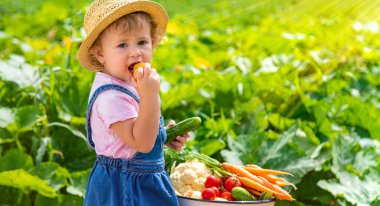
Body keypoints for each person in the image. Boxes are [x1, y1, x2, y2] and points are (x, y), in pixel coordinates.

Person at [78, 0, 189, 205]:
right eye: (122, 45)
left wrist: (162, 136)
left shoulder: (126, 82)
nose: (135, 52)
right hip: (124, 190)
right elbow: (142, 143)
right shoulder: (111, 98)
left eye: (142, 42)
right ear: (100, 53)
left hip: (141, 182)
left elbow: (130, 141)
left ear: (153, 43)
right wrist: (150, 97)